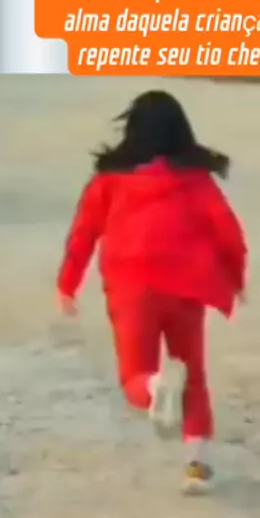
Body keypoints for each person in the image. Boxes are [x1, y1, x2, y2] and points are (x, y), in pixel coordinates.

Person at [56, 90, 247, 493]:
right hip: (186, 287)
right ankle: (197, 467)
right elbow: (227, 229)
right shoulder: (196, 179)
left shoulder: (108, 181)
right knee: (193, 374)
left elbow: (83, 233)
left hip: (131, 288)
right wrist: (236, 276)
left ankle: (155, 388)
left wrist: (68, 283)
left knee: (135, 377)